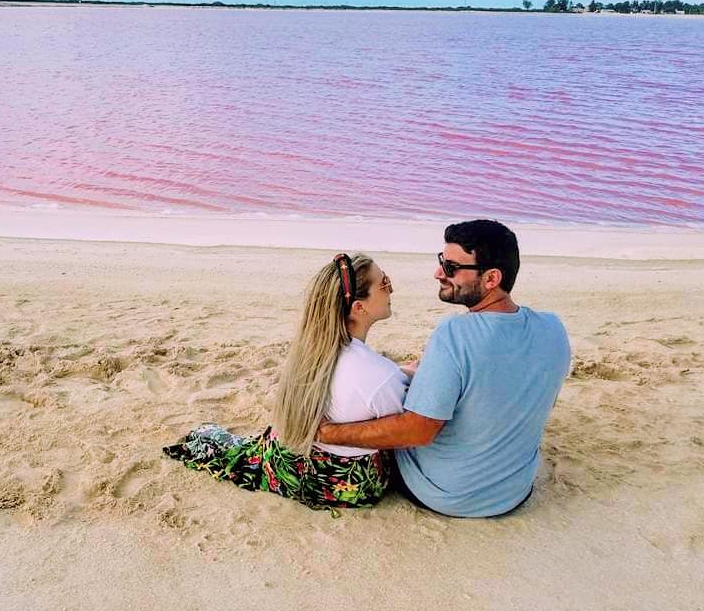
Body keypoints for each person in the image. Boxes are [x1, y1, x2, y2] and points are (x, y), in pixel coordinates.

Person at [318, 219, 570, 517]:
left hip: (445, 493)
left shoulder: (455, 334)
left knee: (366, 410)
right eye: (441, 261)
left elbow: (417, 432)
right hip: (513, 491)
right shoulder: (553, 329)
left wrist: (329, 433)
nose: (439, 273)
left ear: (491, 278)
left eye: (451, 268)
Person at [163, 253, 408, 509]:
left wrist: (400, 372)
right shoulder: (379, 375)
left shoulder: (315, 349)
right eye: (384, 283)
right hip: (340, 483)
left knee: (217, 440)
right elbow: (404, 430)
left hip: (285, 459)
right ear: (359, 307)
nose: (392, 289)